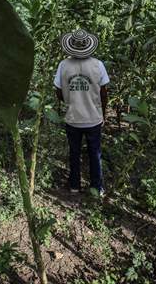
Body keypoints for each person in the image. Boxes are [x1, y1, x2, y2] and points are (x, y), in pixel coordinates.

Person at [54, 29, 109, 195]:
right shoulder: (98, 65)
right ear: (88, 46)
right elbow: (104, 92)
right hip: (93, 118)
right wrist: (103, 113)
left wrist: (70, 100)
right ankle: (96, 187)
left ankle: (74, 185)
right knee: (94, 153)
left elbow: (58, 90)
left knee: (74, 152)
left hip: (73, 118)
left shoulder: (63, 65)